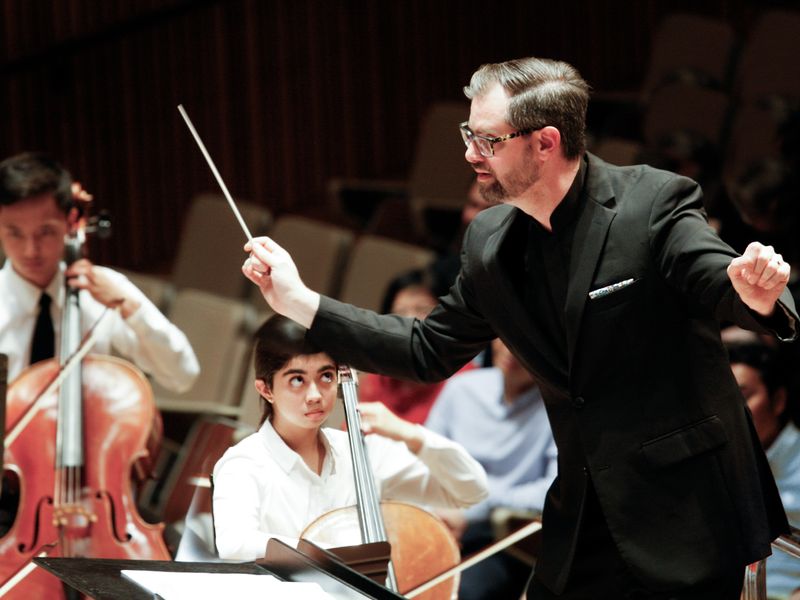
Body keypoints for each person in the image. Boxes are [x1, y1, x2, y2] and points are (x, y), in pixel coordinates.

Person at [242, 56, 797, 599]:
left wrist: (755, 295)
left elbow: (717, 279)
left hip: (689, 510)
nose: (469, 154)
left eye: (487, 140)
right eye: (469, 134)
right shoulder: (490, 241)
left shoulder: (651, 201)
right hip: (585, 509)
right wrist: (301, 301)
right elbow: (426, 349)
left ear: (545, 142)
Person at [211, 314, 488, 561]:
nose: (315, 395)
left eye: (326, 376)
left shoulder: (360, 454)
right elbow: (235, 543)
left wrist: (412, 435)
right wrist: (334, 557)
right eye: (297, 380)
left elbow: (471, 490)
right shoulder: (244, 462)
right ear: (266, 389)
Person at [0, 151, 200, 389]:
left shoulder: (103, 290)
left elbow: (183, 375)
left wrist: (129, 308)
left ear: (71, 221)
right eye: (15, 233)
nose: (31, 250)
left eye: (45, 232)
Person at [426, 338, 557, 600]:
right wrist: (435, 513)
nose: (510, 350)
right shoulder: (462, 388)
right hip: (440, 515)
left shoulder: (556, 409)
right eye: (505, 337)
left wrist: (475, 505)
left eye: (523, 342)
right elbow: (425, 458)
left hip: (503, 535)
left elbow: (553, 489)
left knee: (460, 592)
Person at [724, 331, 800, 600]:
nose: (733, 413)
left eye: (744, 397)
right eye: (725, 402)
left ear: (778, 400)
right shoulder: (720, 465)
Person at [358, 267, 474, 424]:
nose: (409, 322)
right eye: (399, 313)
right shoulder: (378, 376)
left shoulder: (465, 380)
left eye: (422, 310)